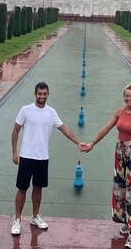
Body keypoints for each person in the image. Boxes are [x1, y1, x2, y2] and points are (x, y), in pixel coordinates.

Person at [82, 83, 131, 249]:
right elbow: (107, 128)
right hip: (119, 154)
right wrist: (92, 143)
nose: (129, 98)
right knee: (121, 191)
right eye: (127, 95)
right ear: (124, 96)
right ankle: (127, 222)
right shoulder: (119, 112)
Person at [11, 81, 82, 236]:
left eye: (44, 94)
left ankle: (35, 216)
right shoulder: (25, 110)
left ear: (48, 94)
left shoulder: (51, 112)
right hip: (26, 156)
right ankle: (17, 220)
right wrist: (14, 152)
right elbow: (15, 131)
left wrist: (78, 142)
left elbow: (64, 129)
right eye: (39, 93)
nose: (42, 96)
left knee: (38, 188)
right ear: (35, 94)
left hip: (42, 157)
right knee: (22, 189)